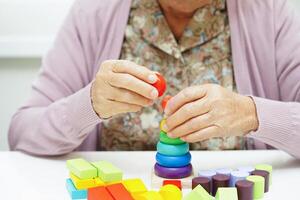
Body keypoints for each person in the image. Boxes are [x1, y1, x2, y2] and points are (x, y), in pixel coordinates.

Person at [8, 0, 300, 157]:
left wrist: (251, 114)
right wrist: (90, 104)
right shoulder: (93, 13)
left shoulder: (270, 14)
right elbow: (22, 133)